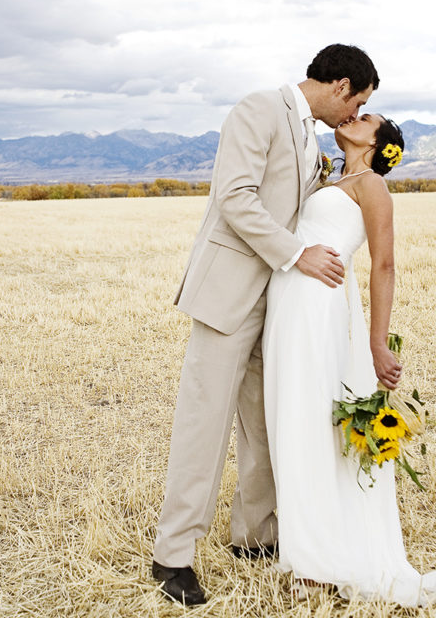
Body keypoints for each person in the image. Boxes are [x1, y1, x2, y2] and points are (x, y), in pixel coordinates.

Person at [152, 44, 380, 605]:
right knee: (203, 427)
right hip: (230, 294)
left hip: (279, 304)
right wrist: (297, 253)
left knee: (266, 421)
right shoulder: (258, 110)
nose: (353, 117)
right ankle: (172, 557)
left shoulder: (312, 137)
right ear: (341, 85)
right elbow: (235, 199)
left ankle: (253, 536)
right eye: (358, 104)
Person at [262, 114, 436, 605]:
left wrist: (377, 342)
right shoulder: (332, 176)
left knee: (309, 420)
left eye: (366, 117)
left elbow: (383, 264)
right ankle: (309, 546)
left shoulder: (371, 186)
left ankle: (319, 565)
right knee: (290, 418)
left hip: (321, 306)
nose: (354, 116)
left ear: (377, 142)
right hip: (288, 302)